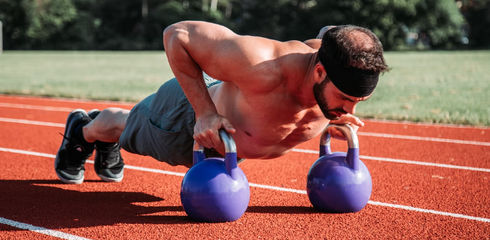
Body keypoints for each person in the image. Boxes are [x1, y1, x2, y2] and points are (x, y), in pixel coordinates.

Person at [54, 21, 388, 184]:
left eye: (359, 101)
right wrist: (204, 114)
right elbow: (177, 35)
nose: (350, 112)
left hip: (230, 134)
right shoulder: (263, 65)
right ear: (318, 72)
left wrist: (335, 112)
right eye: (345, 99)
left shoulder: (335, 63)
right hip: (184, 121)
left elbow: (333, 29)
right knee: (125, 126)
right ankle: (86, 129)